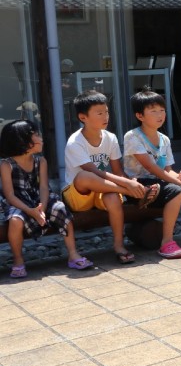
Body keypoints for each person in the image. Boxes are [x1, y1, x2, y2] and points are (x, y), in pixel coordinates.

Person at [63, 90, 155, 264]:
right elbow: (95, 172)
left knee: (113, 198)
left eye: (106, 112)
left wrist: (129, 181)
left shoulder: (110, 138)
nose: (105, 116)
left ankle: (119, 246)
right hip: (78, 195)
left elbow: (117, 171)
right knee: (85, 175)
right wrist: (128, 186)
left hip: (104, 189)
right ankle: (135, 193)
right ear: (83, 117)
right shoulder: (75, 142)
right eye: (99, 113)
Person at [124, 88, 181, 258]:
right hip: (138, 186)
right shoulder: (132, 136)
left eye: (162, 110)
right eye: (153, 111)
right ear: (140, 116)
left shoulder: (164, 139)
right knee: (177, 191)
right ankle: (166, 242)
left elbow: (167, 170)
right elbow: (151, 168)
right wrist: (178, 183)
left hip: (160, 183)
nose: (160, 115)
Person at [1, 120, 92, 277]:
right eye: (36, 135)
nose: (41, 138)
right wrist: (31, 211)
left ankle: (73, 253)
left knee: (60, 209)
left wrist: (41, 208)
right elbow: (9, 195)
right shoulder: (6, 165)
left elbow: (44, 187)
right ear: (23, 141)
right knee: (15, 220)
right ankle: (18, 260)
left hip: (39, 199)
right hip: (19, 202)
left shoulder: (40, 161)